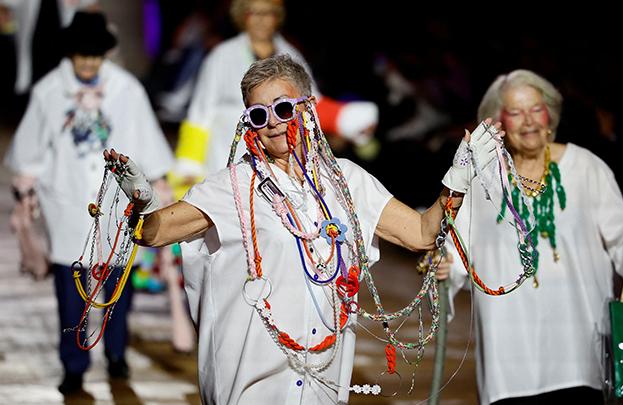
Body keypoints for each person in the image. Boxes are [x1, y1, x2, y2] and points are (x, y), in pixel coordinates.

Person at [103, 54, 501, 404]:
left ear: (308, 108)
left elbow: (421, 234)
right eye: (258, 115)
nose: (272, 124)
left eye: (283, 108)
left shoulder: (348, 181)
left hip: (322, 382)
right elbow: (154, 232)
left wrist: (458, 178)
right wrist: (141, 201)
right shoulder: (231, 187)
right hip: (249, 383)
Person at [444, 69, 623, 405]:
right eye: (515, 112)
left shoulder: (585, 166)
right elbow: (458, 240)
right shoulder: (483, 176)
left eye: (535, 109)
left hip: (579, 341)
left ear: (550, 115)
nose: (528, 121)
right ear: (499, 122)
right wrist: (446, 266)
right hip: (509, 344)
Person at [3, 11, 174, 394]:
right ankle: (74, 365)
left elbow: (145, 138)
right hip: (67, 202)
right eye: (82, 54)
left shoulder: (127, 89)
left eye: (95, 55)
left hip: (115, 202)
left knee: (118, 285)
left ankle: (116, 355)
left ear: (104, 55)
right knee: (71, 291)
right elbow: (31, 147)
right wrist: (28, 178)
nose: (88, 62)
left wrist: (159, 181)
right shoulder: (49, 91)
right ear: (71, 53)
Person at [170, 0, 379, 200]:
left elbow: (310, 103)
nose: (261, 20)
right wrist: (189, 165)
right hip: (226, 152)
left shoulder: (291, 55)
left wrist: (347, 119)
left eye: (267, 13)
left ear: (276, 18)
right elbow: (199, 116)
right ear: (243, 17)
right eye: (254, 13)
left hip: (282, 155)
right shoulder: (221, 56)